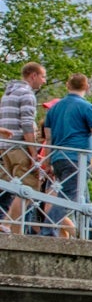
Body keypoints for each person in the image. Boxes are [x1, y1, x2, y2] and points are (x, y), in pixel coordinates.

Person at [42, 73, 92, 238]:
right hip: (77, 159)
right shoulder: (88, 108)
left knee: (82, 197)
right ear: (87, 87)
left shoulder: (54, 109)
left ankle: (91, 237)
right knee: (69, 198)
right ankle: (47, 231)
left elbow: (49, 138)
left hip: (59, 159)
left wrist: (48, 162)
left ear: (67, 86)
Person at [0, 61, 47, 233]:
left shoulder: (8, 94)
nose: (44, 81)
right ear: (33, 75)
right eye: (42, 76)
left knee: (12, 187)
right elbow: (27, 124)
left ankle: (10, 228)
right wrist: (34, 151)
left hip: (5, 147)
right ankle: (10, 227)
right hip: (20, 146)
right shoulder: (27, 95)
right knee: (27, 188)